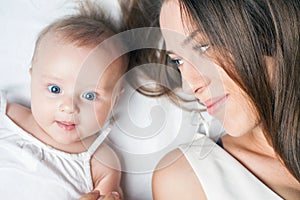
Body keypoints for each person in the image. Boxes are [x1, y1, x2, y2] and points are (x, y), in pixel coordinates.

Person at [153, 0, 300, 199]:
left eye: (203, 47)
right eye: (178, 61)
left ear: (268, 27)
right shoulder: (189, 178)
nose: (190, 86)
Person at [0, 2, 127, 200]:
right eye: (55, 89)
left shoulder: (101, 161)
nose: (69, 107)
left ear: (115, 100)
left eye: (90, 96)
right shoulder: (5, 116)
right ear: (32, 79)